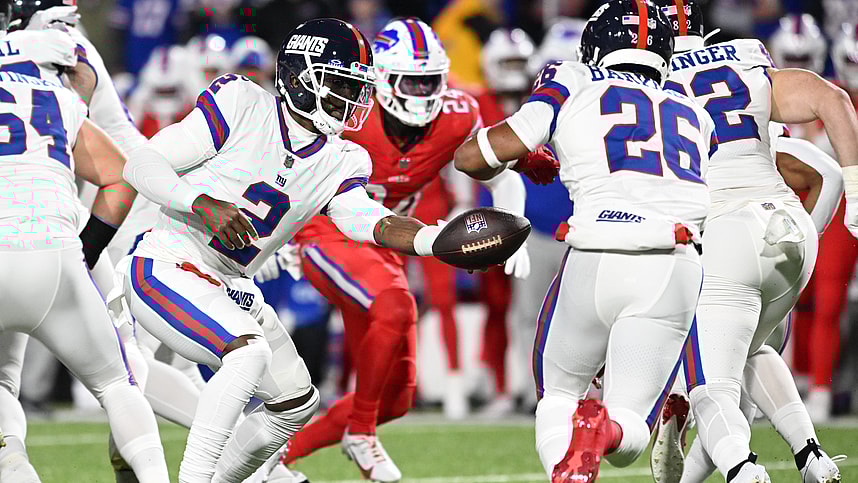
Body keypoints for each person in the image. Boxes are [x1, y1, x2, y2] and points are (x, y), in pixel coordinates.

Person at [116, 18, 464, 482]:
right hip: (166, 262)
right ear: (302, 79)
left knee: (296, 402)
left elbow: (363, 218)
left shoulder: (343, 157)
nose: (355, 100)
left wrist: (433, 239)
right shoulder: (241, 103)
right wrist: (198, 202)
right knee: (247, 353)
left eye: (359, 87)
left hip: (231, 283)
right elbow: (141, 162)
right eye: (342, 84)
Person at [271, 17, 541, 481]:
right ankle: (359, 434)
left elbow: (501, 174)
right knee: (397, 308)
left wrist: (515, 227)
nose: (419, 92)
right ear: (380, 79)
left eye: (428, 81)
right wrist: (279, 232)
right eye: (409, 80)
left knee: (395, 399)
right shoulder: (346, 108)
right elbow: (284, 162)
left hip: (388, 244)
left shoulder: (456, 113)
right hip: (326, 233)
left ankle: (272, 461)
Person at [455, 1, 716, 481]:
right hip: (673, 261)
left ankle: (575, 452)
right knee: (630, 430)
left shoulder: (573, 81)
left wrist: (525, 152)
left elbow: (472, 158)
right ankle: (606, 433)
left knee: (557, 395)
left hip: (596, 252)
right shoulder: (694, 110)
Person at [653, 0, 858, 481]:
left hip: (724, 237)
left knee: (712, 388)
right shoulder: (745, 62)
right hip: (788, 234)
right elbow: (830, 130)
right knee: (751, 355)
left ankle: (744, 471)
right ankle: (811, 457)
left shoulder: (649, 89)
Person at [0, 4, 172, 483]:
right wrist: (87, 249)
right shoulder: (60, 89)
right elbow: (121, 175)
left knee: (0, 385)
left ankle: (13, 466)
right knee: (119, 381)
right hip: (56, 249)